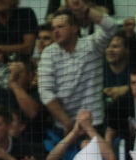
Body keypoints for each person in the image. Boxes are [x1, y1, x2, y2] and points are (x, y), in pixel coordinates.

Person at [38, 2, 117, 134]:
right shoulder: (48, 53)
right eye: (53, 28)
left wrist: (85, 9)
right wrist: (66, 122)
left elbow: (111, 27)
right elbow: (45, 91)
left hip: (94, 124)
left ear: (75, 29)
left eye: (61, 26)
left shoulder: (93, 45)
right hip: (63, 126)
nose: (56, 31)